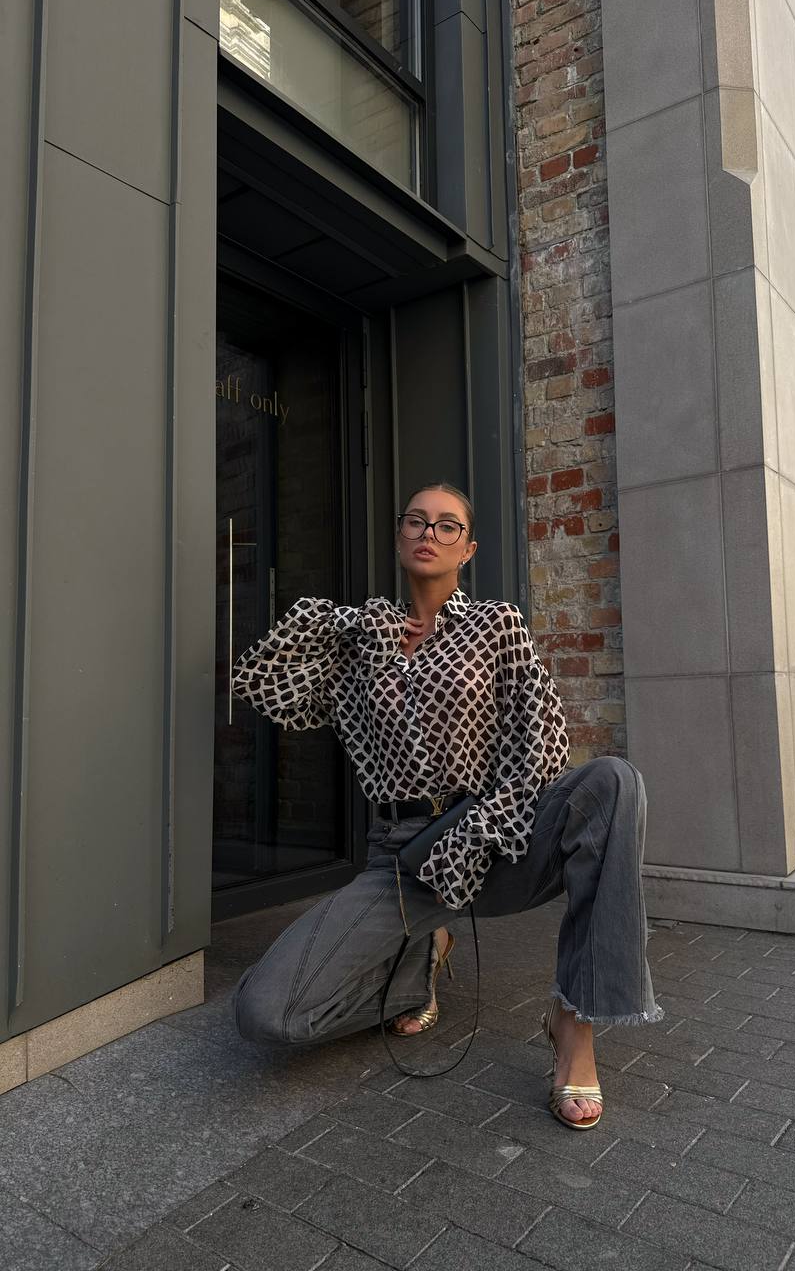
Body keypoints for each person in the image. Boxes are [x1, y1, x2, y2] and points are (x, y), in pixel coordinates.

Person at [230, 481, 662, 1129]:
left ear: (469, 548)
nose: (429, 533)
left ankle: (573, 1023)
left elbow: (542, 741)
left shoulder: (496, 624)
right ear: (401, 536)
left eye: (447, 525)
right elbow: (261, 682)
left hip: (489, 835)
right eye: (417, 522)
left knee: (613, 785)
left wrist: (481, 825)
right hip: (400, 859)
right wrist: (353, 622)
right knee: (266, 1012)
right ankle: (418, 964)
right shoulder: (364, 642)